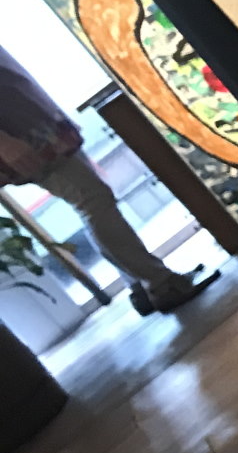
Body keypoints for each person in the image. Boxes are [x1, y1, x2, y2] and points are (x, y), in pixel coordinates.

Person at [0, 44, 214, 313]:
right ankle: (161, 284)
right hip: (23, 135)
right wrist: (3, 142)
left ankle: (142, 285)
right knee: (92, 200)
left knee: (92, 201)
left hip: (32, 123)